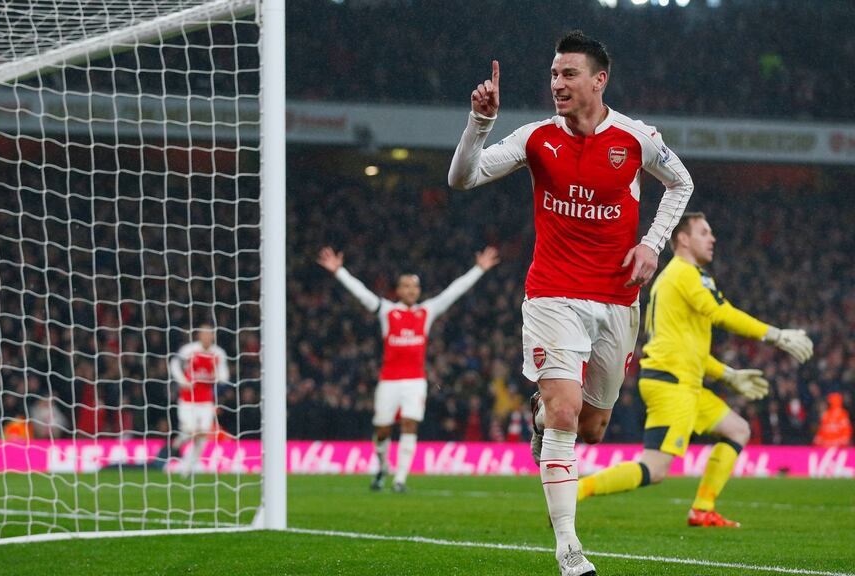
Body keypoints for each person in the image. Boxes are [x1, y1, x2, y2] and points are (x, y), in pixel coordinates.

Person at [448, 31, 694, 576]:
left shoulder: (636, 138)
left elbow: (681, 182)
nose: (557, 84)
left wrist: (652, 244)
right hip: (552, 293)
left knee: (592, 427)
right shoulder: (536, 137)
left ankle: (542, 422)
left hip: (616, 297)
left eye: (569, 74)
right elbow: (462, 178)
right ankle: (569, 549)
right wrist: (479, 123)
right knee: (565, 409)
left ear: (598, 79)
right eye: (554, 75)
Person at [576, 212, 814, 527]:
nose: (712, 238)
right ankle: (577, 489)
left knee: (738, 429)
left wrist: (727, 375)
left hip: (683, 381)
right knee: (656, 468)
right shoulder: (686, 274)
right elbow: (721, 313)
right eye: (704, 232)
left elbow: (688, 347)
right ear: (683, 239)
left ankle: (702, 508)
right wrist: (776, 335)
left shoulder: (677, 278)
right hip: (671, 384)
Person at [317, 246, 499, 492]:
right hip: (389, 380)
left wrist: (478, 269)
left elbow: (453, 291)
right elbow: (362, 294)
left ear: (419, 291)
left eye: (415, 287)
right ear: (398, 290)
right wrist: (339, 272)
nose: (411, 291)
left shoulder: (427, 311)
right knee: (382, 430)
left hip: (414, 380)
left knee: (410, 425)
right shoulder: (387, 311)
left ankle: (400, 479)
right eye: (406, 286)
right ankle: (382, 467)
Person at [165, 324, 229, 476]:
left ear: (213, 336)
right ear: (199, 336)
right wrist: (182, 381)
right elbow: (174, 364)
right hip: (187, 400)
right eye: (204, 334)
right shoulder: (189, 350)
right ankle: (178, 443)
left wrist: (218, 377)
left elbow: (224, 376)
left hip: (206, 401)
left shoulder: (218, 353)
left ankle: (186, 469)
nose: (207, 337)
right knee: (189, 430)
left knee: (203, 436)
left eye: (209, 334)